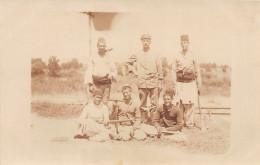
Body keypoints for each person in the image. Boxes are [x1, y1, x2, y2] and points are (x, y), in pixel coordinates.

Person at [126, 34, 163, 123]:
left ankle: (154, 121)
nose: (145, 42)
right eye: (143, 40)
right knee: (142, 103)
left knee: (154, 103)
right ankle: (144, 120)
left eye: (147, 40)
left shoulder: (155, 53)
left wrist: (160, 82)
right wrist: (134, 72)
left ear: (150, 42)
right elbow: (127, 62)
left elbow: (159, 67)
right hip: (142, 82)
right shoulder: (137, 53)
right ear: (141, 42)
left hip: (153, 81)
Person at [171, 34, 201, 128]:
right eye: (182, 43)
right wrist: (173, 84)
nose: (183, 44)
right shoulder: (176, 56)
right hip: (180, 83)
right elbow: (173, 70)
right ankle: (180, 122)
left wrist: (199, 84)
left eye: (185, 42)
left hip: (190, 83)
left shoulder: (193, 55)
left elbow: (197, 71)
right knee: (179, 104)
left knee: (190, 104)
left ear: (188, 43)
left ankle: (189, 124)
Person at [84, 37, 117, 105]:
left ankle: (104, 115)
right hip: (95, 83)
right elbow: (89, 71)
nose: (102, 47)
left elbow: (114, 70)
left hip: (106, 84)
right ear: (97, 46)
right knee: (95, 103)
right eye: (100, 46)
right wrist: (90, 85)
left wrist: (112, 75)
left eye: (103, 46)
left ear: (105, 46)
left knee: (105, 103)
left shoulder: (109, 56)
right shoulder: (93, 56)